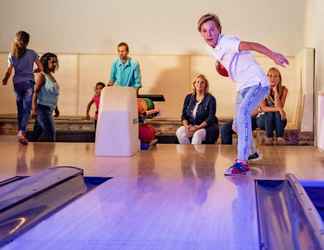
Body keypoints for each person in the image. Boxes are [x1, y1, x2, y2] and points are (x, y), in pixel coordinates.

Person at [198, 13, 289, 175]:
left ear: (219, 30)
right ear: (201, 34)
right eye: (204, 31)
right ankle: (252, 152)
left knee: (243, 112)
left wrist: (274, 55)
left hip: (257, 83)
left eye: (212, 29)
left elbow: (252, 45)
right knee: (235, 125)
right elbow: (227, 62)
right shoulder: (210, 48)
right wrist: (222, 67)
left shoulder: (227, 42)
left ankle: (242, 162)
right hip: (242, 87)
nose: (209, 34)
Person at [2, 31, 43, 145]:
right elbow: (41, 67)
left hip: (17, 84)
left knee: (20, 110)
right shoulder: (32, 53)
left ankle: (21, 133)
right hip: (28, 83)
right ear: (27, 41)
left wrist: (5, 79)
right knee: (26, 109)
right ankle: (22, 132)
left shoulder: (12, 54)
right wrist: (36, 70)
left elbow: (9, 71)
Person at [176, 74, 219, 145]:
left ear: (205, 85)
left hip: (207, 128)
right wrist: (186, 126)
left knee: (197, 135)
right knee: (180, 131)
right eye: (197, 82)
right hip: (191, 125)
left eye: (202, 82)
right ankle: (188, 153)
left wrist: (198, 127)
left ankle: (195, 156)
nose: (199, 84)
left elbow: (211, 118)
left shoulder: (211, 99)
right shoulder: (188, 97)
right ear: (194, 84)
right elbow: (184, 115)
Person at [32, 53, 60, 141]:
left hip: (49, 109)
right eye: (53, 62)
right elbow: (35, 93)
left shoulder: (51, 76)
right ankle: (45, 154)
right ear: (46, 63)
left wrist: (56, 108)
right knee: (50, 134)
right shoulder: (42, 75)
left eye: (56, 62)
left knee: (36, 136)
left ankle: (32, 153)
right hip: (42, 109)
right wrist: (33, 109)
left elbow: (53, 95)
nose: (55, 64)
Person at [256, 67, 288, 145]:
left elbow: (280, 106)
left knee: (277, 112)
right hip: (263, 120)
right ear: (266, 77)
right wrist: (279, 109)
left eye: (275, 76)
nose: (272, 78)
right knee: (269, 112)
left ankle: (280, 138)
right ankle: (269, 137)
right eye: (270, 76)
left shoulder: (284, 90)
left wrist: (276, 92)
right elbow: (263, 108)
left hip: (278, 121)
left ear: (279, 78)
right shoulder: (261, 89)